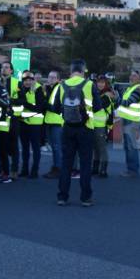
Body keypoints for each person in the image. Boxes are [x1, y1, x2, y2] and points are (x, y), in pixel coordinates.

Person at [56, 60, 100, 207]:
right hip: (85, 128)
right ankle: (85, 198)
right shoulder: (89, 85)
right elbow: (98, 107)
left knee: (66, 163)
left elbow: (56, 107)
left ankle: (62, 196)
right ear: (83, 71)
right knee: (85, 164)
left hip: (67, 128)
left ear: (71, 71)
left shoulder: (62, 85)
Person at [115, 69, 140, 177]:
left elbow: (126, 103)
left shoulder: (138, 89)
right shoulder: (131, 88)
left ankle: (132, 170)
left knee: (131, 146)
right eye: (131, 75)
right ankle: (131, 169)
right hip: (127, 120)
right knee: (128, 146)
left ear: (139, 78)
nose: (131, 77)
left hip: (132, 121)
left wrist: (115, 98)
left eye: (134, 76)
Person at [17, 71, 46, 179]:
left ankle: (34, 171)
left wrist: (25, 103)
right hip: (23, 122)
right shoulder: (21, 89)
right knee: (24, 148)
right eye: (26, 80)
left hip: (35, 124)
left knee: (35, 148)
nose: (28, 82)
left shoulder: (38, 89)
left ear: (33, 80)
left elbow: (39, 107)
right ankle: (24, 170)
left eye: (30, 80)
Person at [0, 61, 22, 182]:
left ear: (11, 71)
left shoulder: (17, 83)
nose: (4, 69)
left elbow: (21, 99)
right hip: (0, 119)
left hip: (13, 119)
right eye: (2, 67)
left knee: (14, 146)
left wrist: (10, 101)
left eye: (6, 67)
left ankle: (14, 170)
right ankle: (1, 170)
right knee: (1, 146)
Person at [91, 74, 115, 178]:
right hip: (93, 125)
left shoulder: (105, 96)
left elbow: (96, 107)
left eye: (102, 83)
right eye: (98, 82)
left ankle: (103, 170)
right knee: (95, 148)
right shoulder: (97, 94)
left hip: (101, 126)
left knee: (102, 148)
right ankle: (95, 169)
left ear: (106, 84)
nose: (100, 84)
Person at [42, 70, 63, 179]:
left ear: (58, 79)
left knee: (56, 147)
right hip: (50, 121)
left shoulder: (58, 88)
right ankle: (56, 167)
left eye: (53, 77)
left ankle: (58, 169)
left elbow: (55, 107)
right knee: (54, 147)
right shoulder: (50, 89)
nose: (50, 79)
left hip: (57, 122)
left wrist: (44, 102)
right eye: (49, 77)